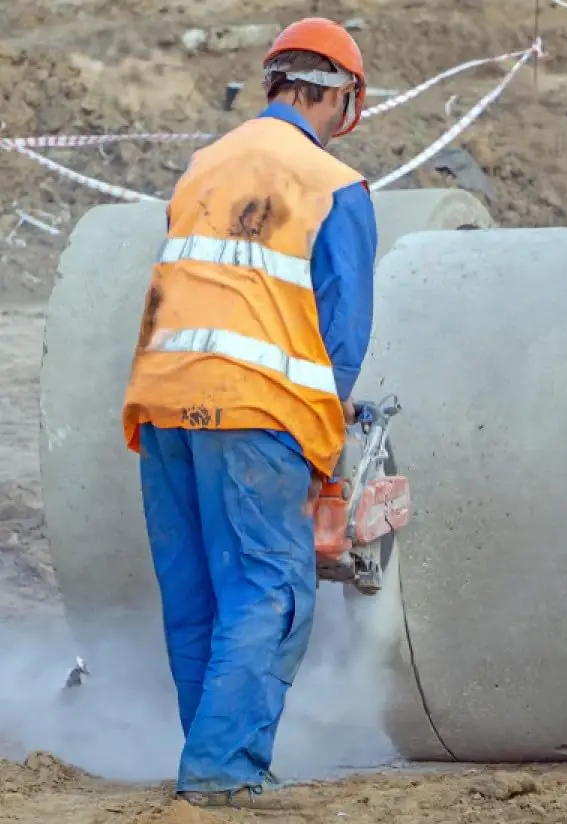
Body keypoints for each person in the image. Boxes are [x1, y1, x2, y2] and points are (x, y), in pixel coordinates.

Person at [120, 17, 378, 808]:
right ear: (340, 98)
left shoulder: (204, 165)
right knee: (269, 591)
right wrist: (325, 439)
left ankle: (211, 764)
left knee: (197, 592)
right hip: (255, 419)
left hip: (163, 405)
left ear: (275, 83)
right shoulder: (333, 184)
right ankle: (222, 775)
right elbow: (341, 331)